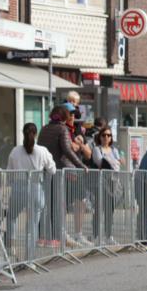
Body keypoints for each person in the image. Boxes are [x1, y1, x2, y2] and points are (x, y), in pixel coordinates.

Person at [37, 105, 88, 247]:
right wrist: (81, 165)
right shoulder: (62, 129)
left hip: (46, 170)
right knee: (58, 205)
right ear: (64, 117)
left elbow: (40, 147)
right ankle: (56, 237)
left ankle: (42, 237)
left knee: (46, 204)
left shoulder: (44, 128)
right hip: (60, 171)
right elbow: (67, 150)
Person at [6, 123, 56, 254]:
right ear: (36, 134)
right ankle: (30, 253)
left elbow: (9, 172)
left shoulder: (15, 151)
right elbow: (53, 170)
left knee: (11, 217)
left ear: (23, 133)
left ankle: (11, 246)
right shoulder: (42, 150)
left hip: (18, 186)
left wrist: (11, 184)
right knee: (33, 222)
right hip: (36, 187)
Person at [91, 126, 122, 244]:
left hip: (113, 183)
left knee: (110, 210)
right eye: (104, 135)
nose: (106, 137)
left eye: (108, 135)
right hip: (100, 182)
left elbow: (118, 165)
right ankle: (96, 236)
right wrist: (113, 162)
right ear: (100, 137)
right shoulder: (97, 149)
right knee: (98, 209)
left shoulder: (114, 149)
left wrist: (110, 161)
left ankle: (109, 236)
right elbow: (100, 162)